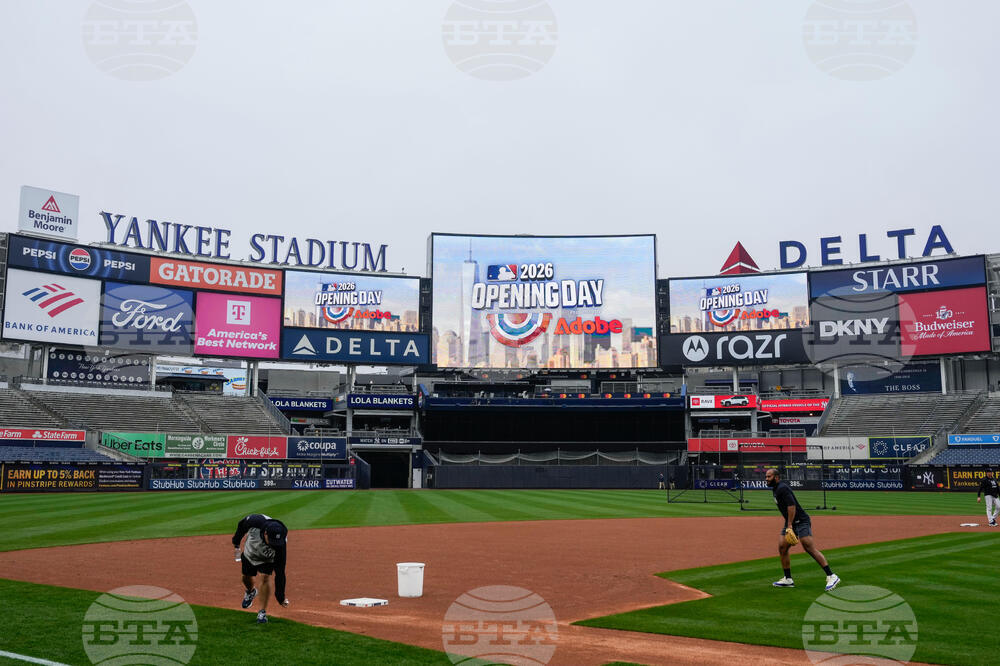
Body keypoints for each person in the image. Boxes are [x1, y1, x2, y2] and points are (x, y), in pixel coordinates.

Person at [766, 468, 840, 591]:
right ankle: (788, 579)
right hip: (791, 522)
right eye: (766, 477)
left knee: (808, 546)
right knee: (782, 547)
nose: (766, 479)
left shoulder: (782, 488)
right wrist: (789, 524)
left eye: (769, 477)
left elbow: (792, 506)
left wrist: (789, 525)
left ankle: (831, 576)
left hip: (801, 521)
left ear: (776, 477)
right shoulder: (776, 489)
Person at [232, 513, 290, 623]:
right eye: (272, 541)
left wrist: (280, 596)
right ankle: (251, 592)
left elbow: (280, 572)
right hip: (250, 554)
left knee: (265, 578)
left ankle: (262, 612)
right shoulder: (255, 522)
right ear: (266, 533)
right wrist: (236, 544)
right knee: (246, 577)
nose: (274, 545)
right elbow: (241, 525)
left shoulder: (281, 544)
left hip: (267, 560)